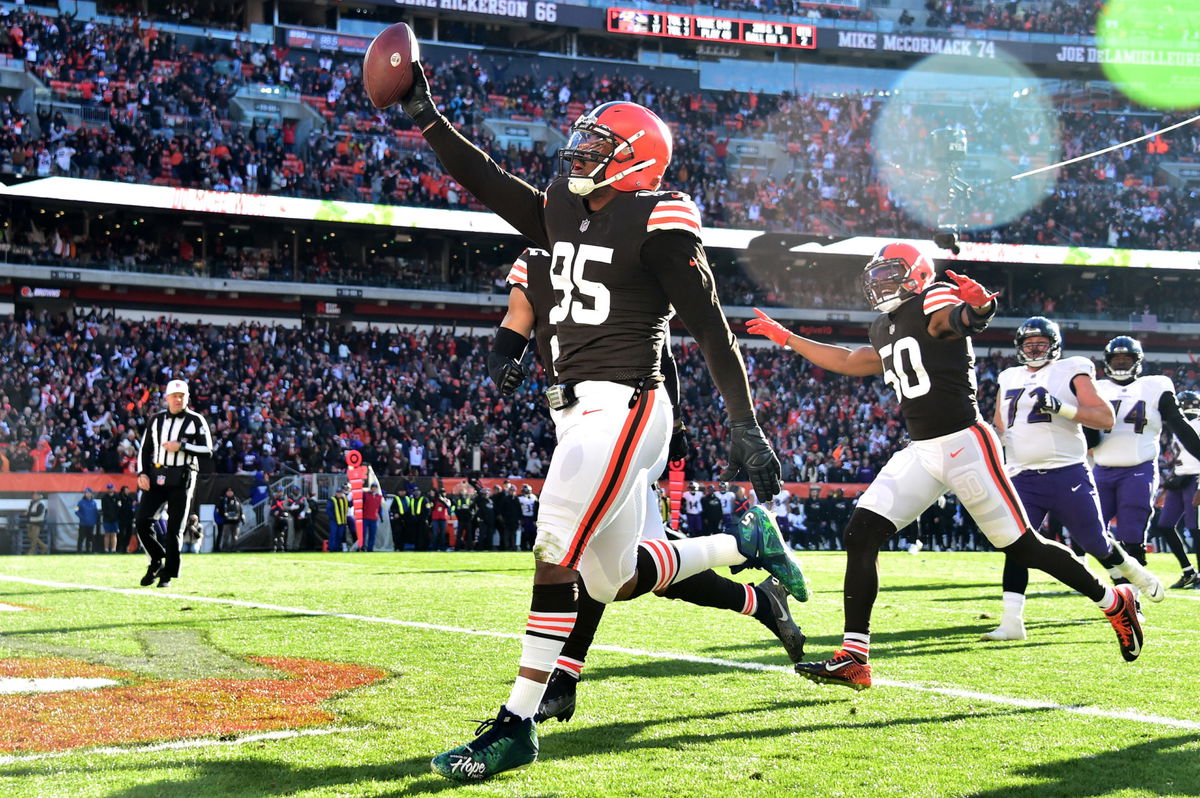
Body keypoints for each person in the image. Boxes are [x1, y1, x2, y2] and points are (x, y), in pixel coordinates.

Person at [399, 73, 794, 781]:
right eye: (581, 140)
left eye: (596, 143)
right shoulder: (559, 208)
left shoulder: (661, 217)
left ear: (636, 156)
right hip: (576, 411)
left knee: (554, 536)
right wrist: (427, 119)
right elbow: (489, 183)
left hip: (628, 404)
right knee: (612, 578)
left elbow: (709, 328)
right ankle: (742, 540)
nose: (577, 152)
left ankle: (515, 723)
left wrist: (745, 425)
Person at [748, 242, 1147, 690]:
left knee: (1023, 547)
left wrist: (979, 308)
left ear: (917, 274)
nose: (880, 284)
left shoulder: (933, 298)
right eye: (876, 276)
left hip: (965, 444)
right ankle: (854, 657)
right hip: (922, 449)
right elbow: (849, 360)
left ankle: (1114, 599)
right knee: (860, 532)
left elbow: (954, 321)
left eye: (889, 274)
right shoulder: (885, 325)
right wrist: (786, 337)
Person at [493, 246, 806, 731]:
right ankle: (758, 588)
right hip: (578, 418)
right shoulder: (538, 257)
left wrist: (673, 422)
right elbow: (517, 319)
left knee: (577, 551)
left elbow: (657, 349)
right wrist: (502, 362)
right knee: (624, 572)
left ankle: (558, 683)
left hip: (625, 417)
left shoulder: (609, 246)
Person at [980, 319, 1162, 641]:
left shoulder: (1073, 367)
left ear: (1054, 344)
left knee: (1095, 543)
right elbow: (999, 425)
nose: (1034, 348)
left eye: (1040, 342)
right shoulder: (1008, 377)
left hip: (1066, 471)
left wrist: (1063, 408)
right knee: (1016, 544)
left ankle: (1137, 575)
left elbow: (1104, 417)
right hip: (1022, 475)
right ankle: (1012, 622)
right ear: (1019, 347)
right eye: (1028, 343)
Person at [1093, 337, 1200, 591]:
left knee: (1132, 533)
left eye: (1126, 359)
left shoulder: (1154, 386)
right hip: (1101, 467)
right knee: (1092, 533)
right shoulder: (1094, 388)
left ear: (1137, 362)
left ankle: (1132, 595)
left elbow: (1180, 425)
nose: (1121, 363)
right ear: (1107, 362)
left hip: (1138, 466)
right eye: (1116, 359)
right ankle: (1120, 578)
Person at [135, 379, 213, 588]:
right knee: (142, 521)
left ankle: (167, 574)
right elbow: (145, 448)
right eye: (174, 396)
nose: (178, 399)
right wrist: (142, 472)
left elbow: (207, 450)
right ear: (167, 398)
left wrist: (182, 446)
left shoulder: (196, 420)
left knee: (174, 527)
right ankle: (157, 558)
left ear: (187, 398)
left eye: (182, 396)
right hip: (157, 474)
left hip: (183, 476)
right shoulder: (156, 420)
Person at [1153, 390, 1200, 587]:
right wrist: (1165, 489)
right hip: (1179, 480)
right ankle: (1189, 571)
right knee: (1164, 525)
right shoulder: (1175, 426)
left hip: (1196, 478)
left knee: (1195, 528)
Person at [215, 486, 242, 553]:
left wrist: (241, 516)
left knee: (235, 536)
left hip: (236, 522)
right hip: (226, 522)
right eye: (228, 491)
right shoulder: (223, 500)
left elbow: (240, 509)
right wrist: (224, 517)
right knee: (226, 536)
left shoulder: (237, 500)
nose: (230, 493)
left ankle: (234, 549)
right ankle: (225, 549)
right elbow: (219, 510)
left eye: (231, 491)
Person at [326, 484, 350, 552]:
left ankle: (336, 548)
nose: (339, 494)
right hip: (334, 520)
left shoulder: (344, 499)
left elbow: (350, 504)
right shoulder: (332, 500)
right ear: (336, 493)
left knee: (340, 535)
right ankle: (331, 548)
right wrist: (333, 518)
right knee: (333, 534)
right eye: (338, 493)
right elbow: (328, 510)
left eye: (340, 493)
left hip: (342, 521)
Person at [76, 487, 99, 553]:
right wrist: (82, 517)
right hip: (83, 524)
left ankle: (88, 551)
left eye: (89, 493)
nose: (87, 494)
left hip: (91, 524)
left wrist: (95, 520)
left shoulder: (94, 503)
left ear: (91, 494)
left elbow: (96, 512)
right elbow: (76, 510)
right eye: (86, 493)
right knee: (81, 538)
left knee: (90, 539)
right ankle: (79, 551)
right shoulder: (80, 502)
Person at [26, 490, 48, 555]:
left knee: (34, 539)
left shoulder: (41, 504)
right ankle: (44, 546)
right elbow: (30, 512)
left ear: (39, 496)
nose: (33, 496)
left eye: (35, 495)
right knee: (31, 536)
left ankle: (31, 552)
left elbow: (38, 514)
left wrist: (28, 514)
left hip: (37, 523)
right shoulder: (32, 504)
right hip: (31, 522)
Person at [362, 483, 383, 552]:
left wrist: (381, 516)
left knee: (372, 534)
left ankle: (370, 548)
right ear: (371, 488)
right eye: (373, 487)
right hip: (365, 517)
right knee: (363, 534)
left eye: (375, 487)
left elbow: (379, 507)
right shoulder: (366, 495)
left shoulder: (379, 497)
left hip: (374, 518)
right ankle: (362, 547)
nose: (374, 488)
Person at [517, 484, 538, 550]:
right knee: (525, 533)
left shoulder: (533, 497)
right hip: (525, 517)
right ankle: (524, 547)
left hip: (532, 518)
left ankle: (531, 546)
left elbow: (536, 508)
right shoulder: (520, 498)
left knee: (533, 533)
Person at [100, 483, 119, 553]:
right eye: (109, 488)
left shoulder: (117, 497)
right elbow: (104, 509)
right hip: (107, 519)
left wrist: (115, 516)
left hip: (115, 519)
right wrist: (109, 515)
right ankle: (106, 549)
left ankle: (113, 549)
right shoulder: (104, 498)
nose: (110, 489)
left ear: (113, 488)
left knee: (114, 534)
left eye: (111, 488)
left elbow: (119, 507)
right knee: (107, 534)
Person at [116, 485, 136, 553]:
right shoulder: (119, 499)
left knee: (129, 533)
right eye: (126, 490)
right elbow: (119, 508)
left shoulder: (130, 499)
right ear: (123, 491)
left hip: (129, 520)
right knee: (121, 534)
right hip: (122, 520)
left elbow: (132, 509)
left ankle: (125, 547)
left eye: (128, 490)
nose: (128, 491)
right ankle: (120, 548)